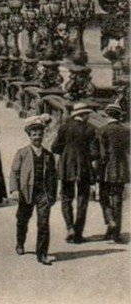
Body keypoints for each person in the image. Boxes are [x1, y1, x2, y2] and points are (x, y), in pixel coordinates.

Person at [10, 116, 58, 265]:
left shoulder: (48, 156)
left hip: (43, 193)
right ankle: (20, 243)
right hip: (26, 193)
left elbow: (53, 177)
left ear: (43, 135)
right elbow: (14, 172)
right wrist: (14, 190)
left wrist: (52, 195)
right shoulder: (22, 153)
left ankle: (42, 254)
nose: (37, 137)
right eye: (34, 134)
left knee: (43, 223)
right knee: (22, 220)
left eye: (40, 134)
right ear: (30, 136)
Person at [51, 102, 99, 244]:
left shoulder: (64, 128)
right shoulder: (89, 130)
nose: (88, 117)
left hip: (66, 167)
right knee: (82, 200)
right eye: (87, 114)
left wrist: (66, 152)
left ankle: (69, 227)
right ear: (82, 115)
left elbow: (55, 147)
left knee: (66, 198)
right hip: (84, 167)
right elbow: (94, 153)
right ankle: (78, 234)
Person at [97, 103, 129, 243]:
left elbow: (101, 154)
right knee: (117, 200)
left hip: (106, 169)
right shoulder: (126, 131)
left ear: (107, 114)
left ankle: (110, 221)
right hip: (121, 168)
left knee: (104, 197)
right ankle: (115, 233)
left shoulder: (102, 130)